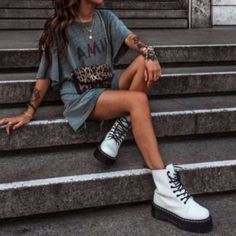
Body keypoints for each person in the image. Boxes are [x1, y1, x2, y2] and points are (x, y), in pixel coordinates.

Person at [0, 0, 213, 233]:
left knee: (143, 61)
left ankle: (120, 127)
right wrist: (29, 111)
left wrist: (149, 53)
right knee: (138, 101)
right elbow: (45, 74)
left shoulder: (106, 18)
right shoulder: (58, 27)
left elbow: (132, 39)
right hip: (82, 98)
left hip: (107, 86)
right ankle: (165, 191)